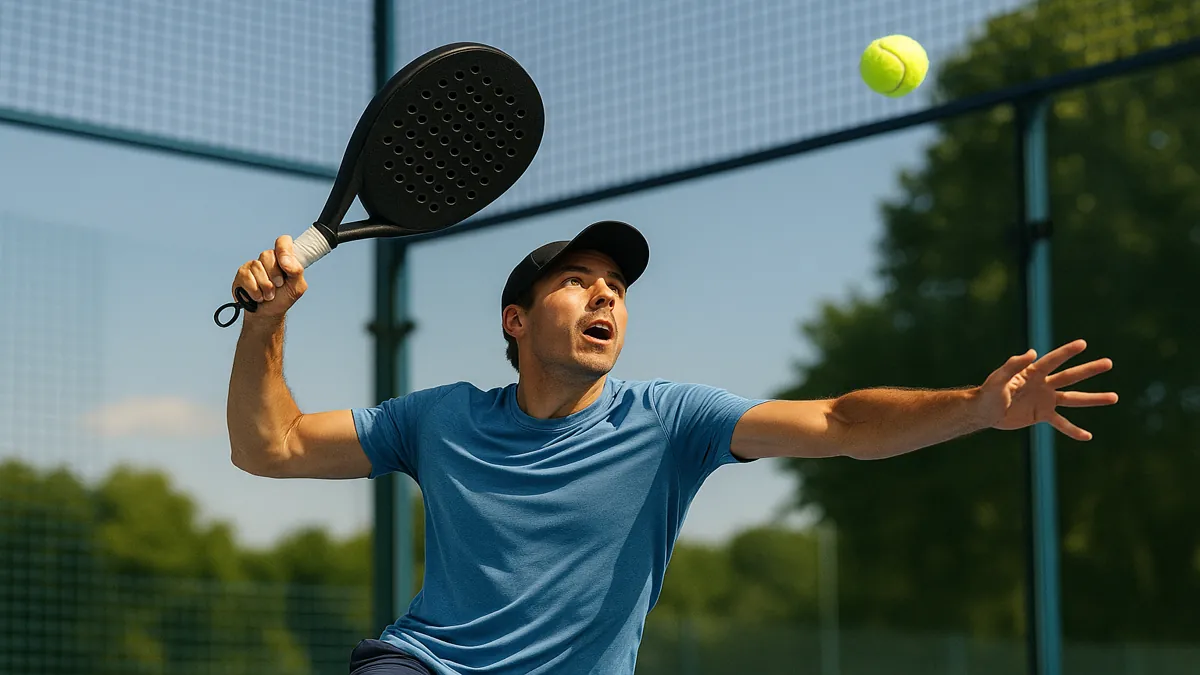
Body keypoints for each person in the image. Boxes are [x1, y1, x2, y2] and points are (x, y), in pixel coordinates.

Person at [226, 220, 1118, 675]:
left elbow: (841, 422)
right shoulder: (441, 419)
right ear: (516, 320)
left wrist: (975, 406)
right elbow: (273, 446)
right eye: (577, 281)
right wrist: (265, 323)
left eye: (616, 286)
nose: (605, 296)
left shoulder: (672, 419)